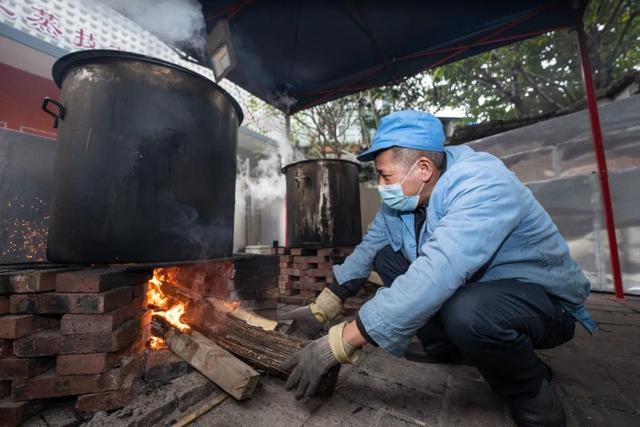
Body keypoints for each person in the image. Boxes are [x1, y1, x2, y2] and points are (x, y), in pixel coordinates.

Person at [280, 110, 596, 427]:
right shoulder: (404, 199)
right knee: (387, 256)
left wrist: (342, 342)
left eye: (385, 176)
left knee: (469, 312)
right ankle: (446, 347)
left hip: (543, 303)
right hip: (477, 287)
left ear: (424, 169)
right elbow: (369, 248)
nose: (380, 185)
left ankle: (531, 386)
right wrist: (321, 308)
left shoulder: (482, 185)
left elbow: (436, 272)